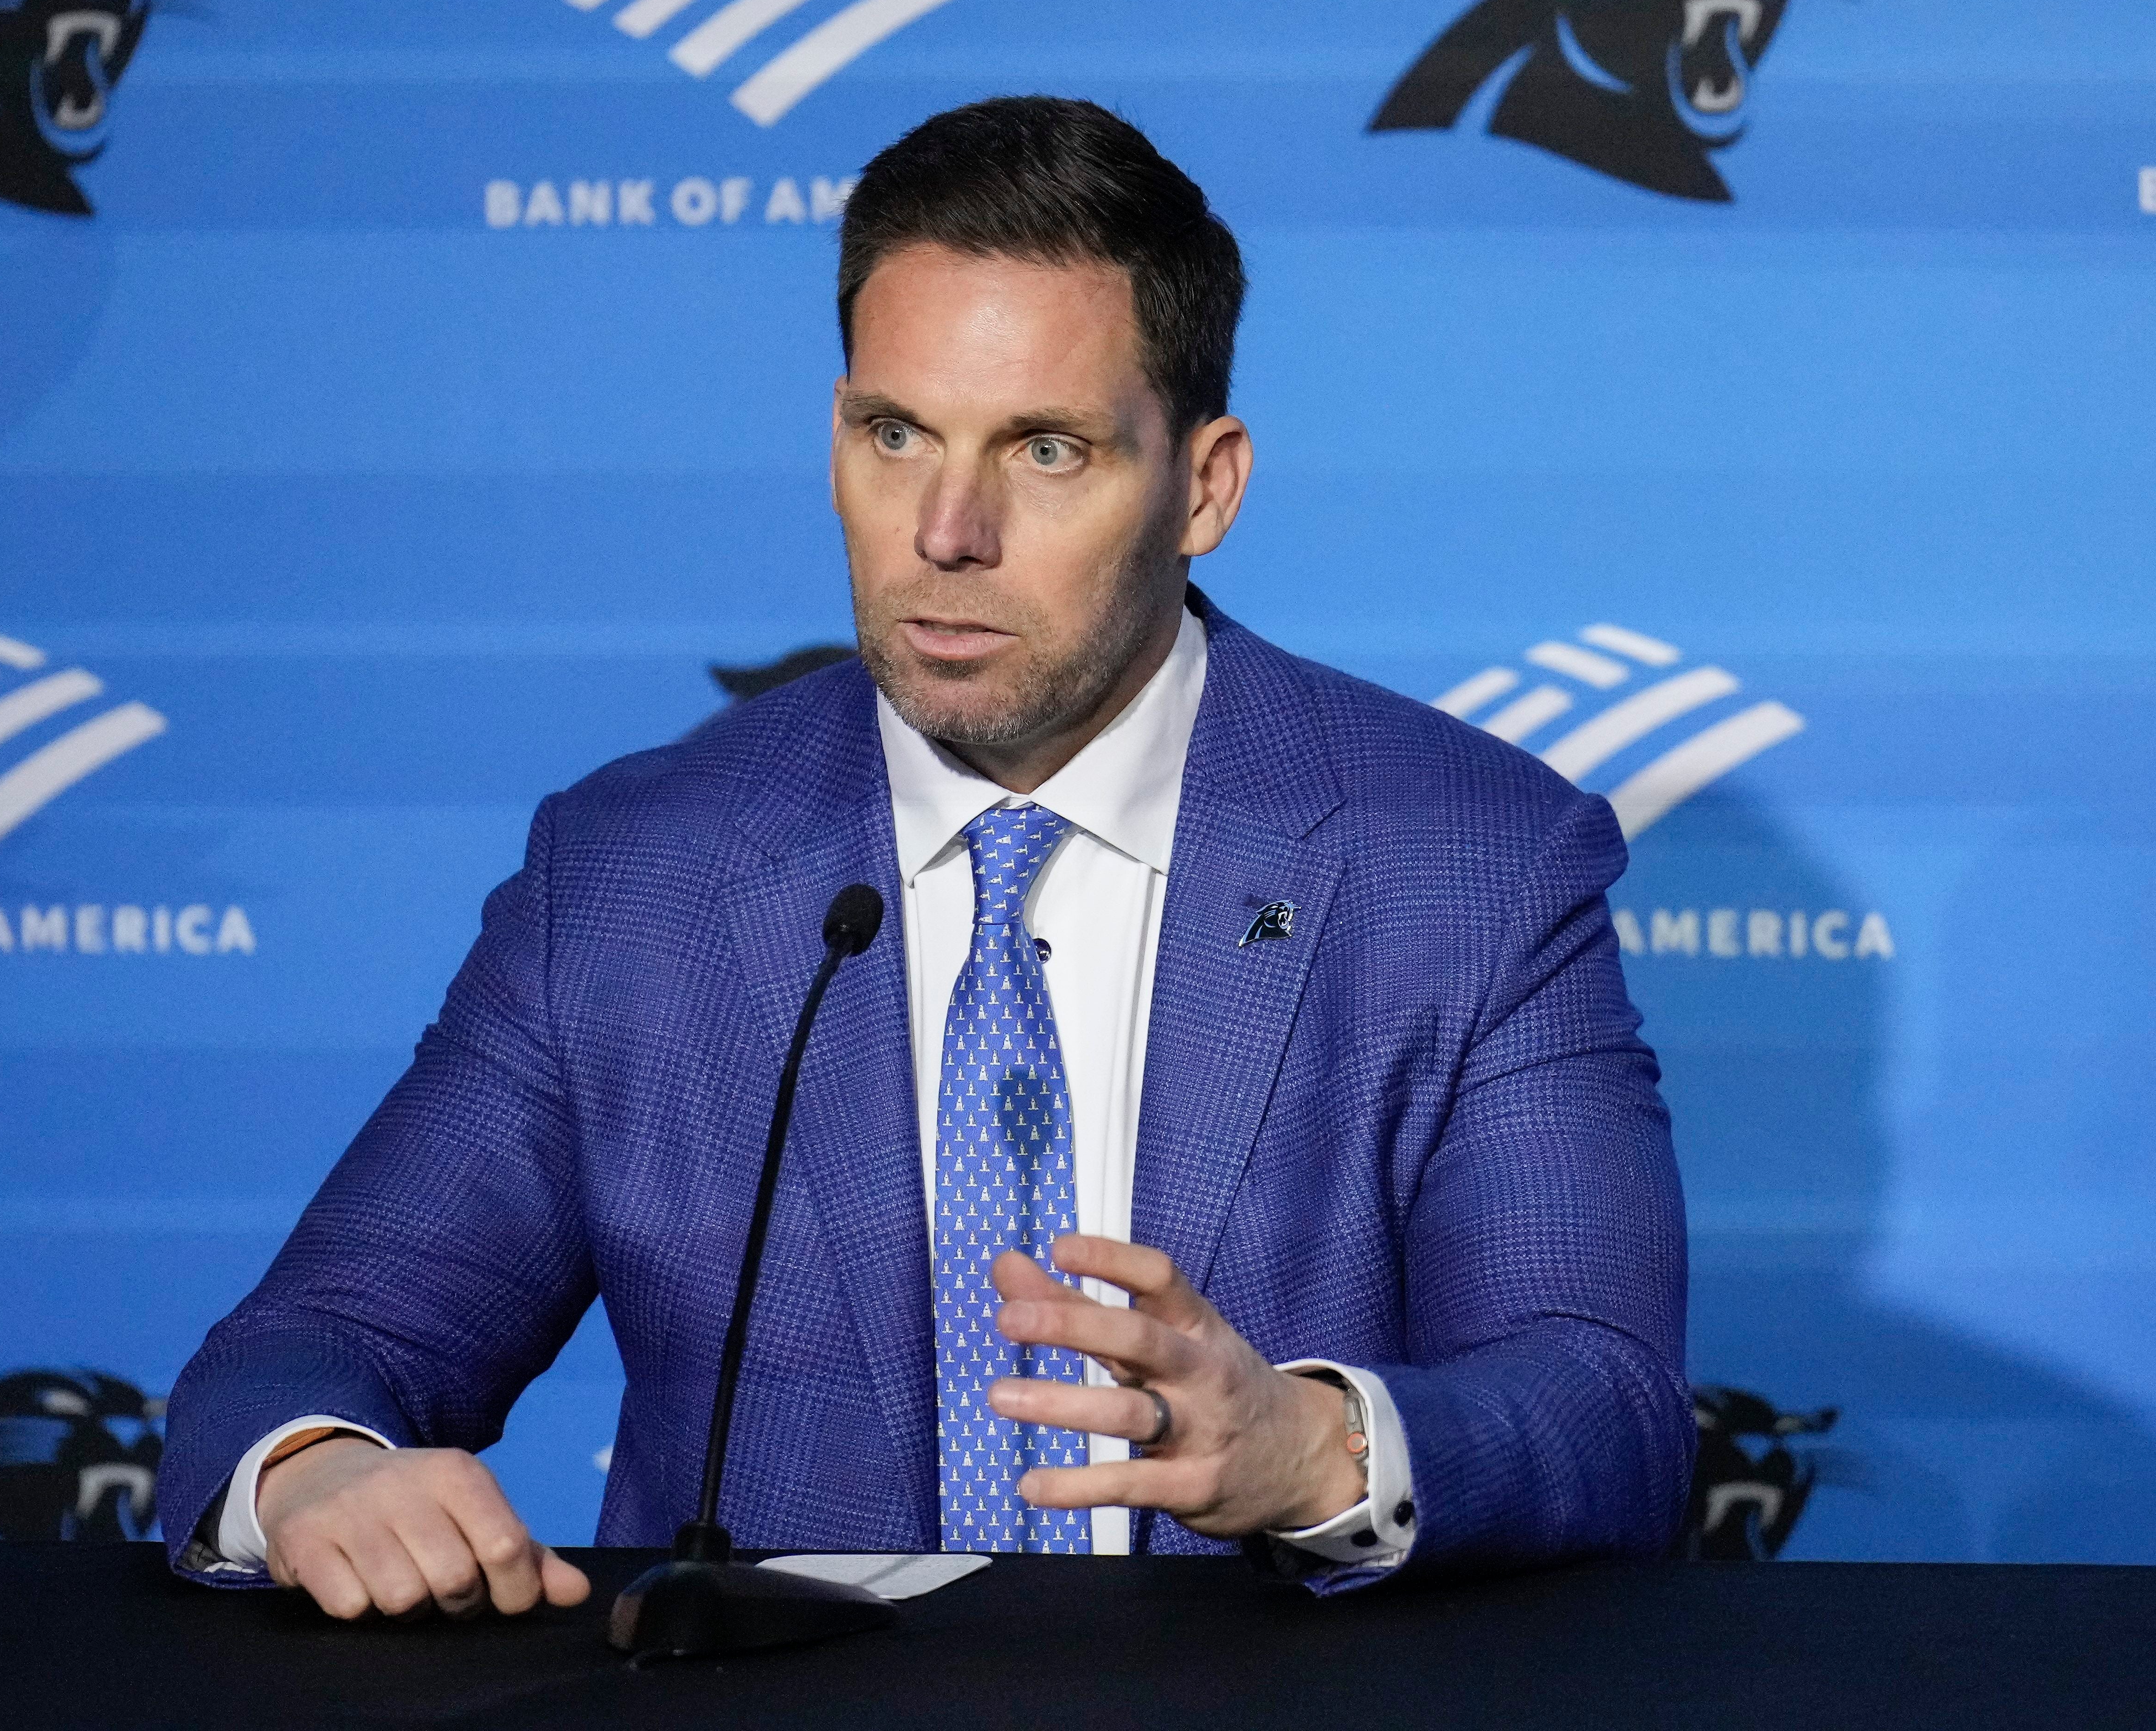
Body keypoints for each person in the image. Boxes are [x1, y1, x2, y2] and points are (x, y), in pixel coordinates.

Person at [155, 95, 1691, 1620]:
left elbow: (1606, 1409)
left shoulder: (1468, 861)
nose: (946, 531)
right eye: (896, 435)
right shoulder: (635, 874)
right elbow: (317, 1341)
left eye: (1046, 449)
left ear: (1204, 487)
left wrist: (1315, 1451)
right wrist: (315, 1467)